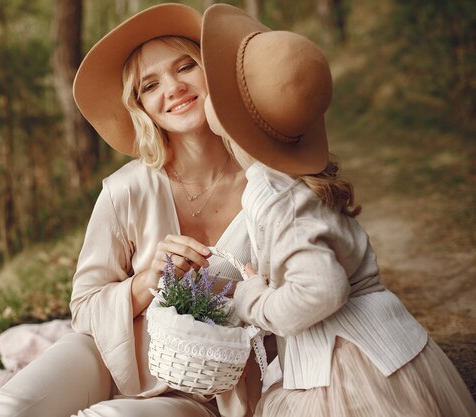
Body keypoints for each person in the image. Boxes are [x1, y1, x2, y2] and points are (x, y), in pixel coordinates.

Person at [0, 4, 263, 417]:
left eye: (186, 66)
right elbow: (84, 308)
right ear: (141, 106)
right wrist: (147, 281)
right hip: (108, 355)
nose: (172, 88)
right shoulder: (126, 191)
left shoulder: (267, 184)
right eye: (150, 85)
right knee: (5, 410)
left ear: (212, 71)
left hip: (202, 395)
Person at [200, 4, 476, 417]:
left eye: (215, 87)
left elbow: (322, 289)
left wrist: (250, 298)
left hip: (346, 371)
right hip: (386, 349)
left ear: (227, 118)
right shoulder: (284, 183)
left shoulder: (278, 198)